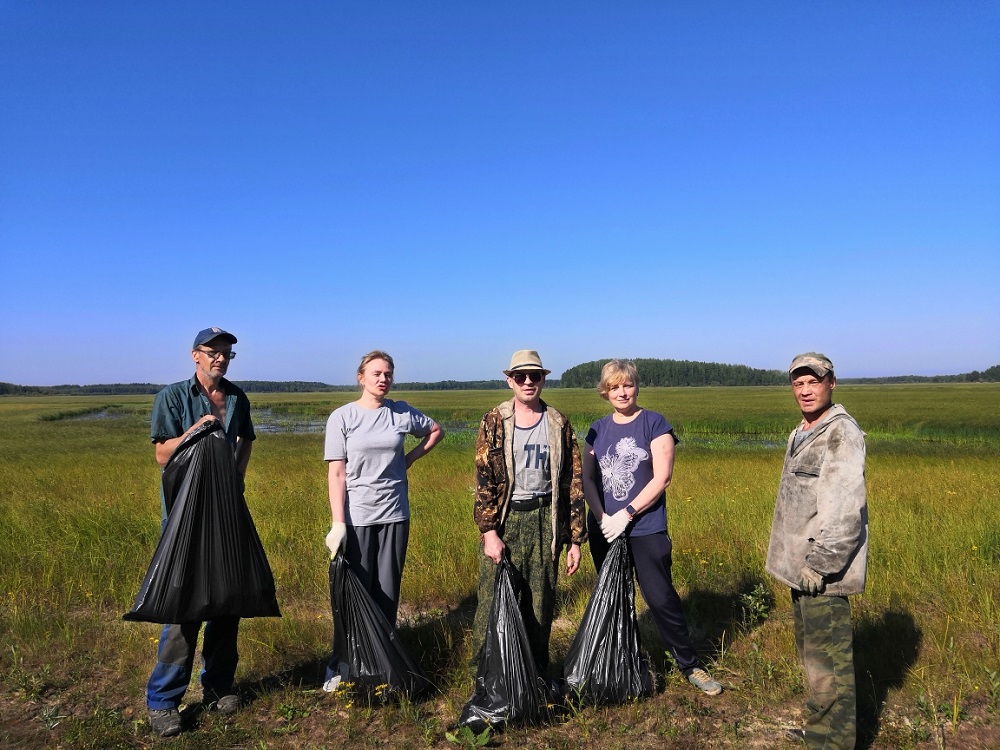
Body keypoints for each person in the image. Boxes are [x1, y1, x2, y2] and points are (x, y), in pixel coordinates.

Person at [582, 359, 722, 696]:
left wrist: (626, 514)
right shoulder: (596, 429)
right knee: (616, 597)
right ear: (605, 391)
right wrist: (602, 518)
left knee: (660, 598)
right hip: (605, 530)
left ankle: (690, 664)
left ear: (636, 386)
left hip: (646, 527)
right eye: (614, 387)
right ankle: (624, 661)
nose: (622, 392)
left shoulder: (654, 423)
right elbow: (587, 478)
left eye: (627, 385)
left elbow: (663, 477)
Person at [145, 326, 256, 738]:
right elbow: (160, 454)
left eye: (226, 353)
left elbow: (246, 439)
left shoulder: (237, 398)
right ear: (195, 355)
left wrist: (238, 476)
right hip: (183, 519)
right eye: (212, 352)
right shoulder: (173, 397)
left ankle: (219, 687)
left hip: (225, 515)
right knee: (182, 609)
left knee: (227, 603)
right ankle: (163, 701)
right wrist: (194, 432)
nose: (220, 358)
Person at [322, 350, 443, 691]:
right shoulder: (342, 418)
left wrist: (409, 460)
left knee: (387, 594)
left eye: (388, 373)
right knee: (353, 594)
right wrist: (338, 522)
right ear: (361, 377)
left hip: (394, 515)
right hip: (357, 518)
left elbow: (435, 430)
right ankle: (342, 666)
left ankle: (381, 666)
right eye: (376, 373)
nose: (383, 379)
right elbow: (336, 473)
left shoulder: (400, 412)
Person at [766, 353, 868, 749]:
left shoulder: (841, 433)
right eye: (798, 383)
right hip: (801, 570)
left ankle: (834, 743)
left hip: (823, 575)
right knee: (814, 663)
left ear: (831, 383)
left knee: (830, 669)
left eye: (814, 381)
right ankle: (819, 733)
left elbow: (846, 507)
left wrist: (823, 564)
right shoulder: (805, 430)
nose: (805, 390)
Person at [471, 349, 587, 675]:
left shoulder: (558, 423)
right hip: (506, 521)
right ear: (509, 380)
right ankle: (486, 680)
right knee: (492, 604)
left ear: (543, 380)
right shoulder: (494, 420)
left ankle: (534, 677)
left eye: (534, 376)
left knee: (540, 606)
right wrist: (489, 532)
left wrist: (575, 539)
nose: (527, 381)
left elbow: (572, 484)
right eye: (520, 376)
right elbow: (485, 480)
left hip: (544, 522)